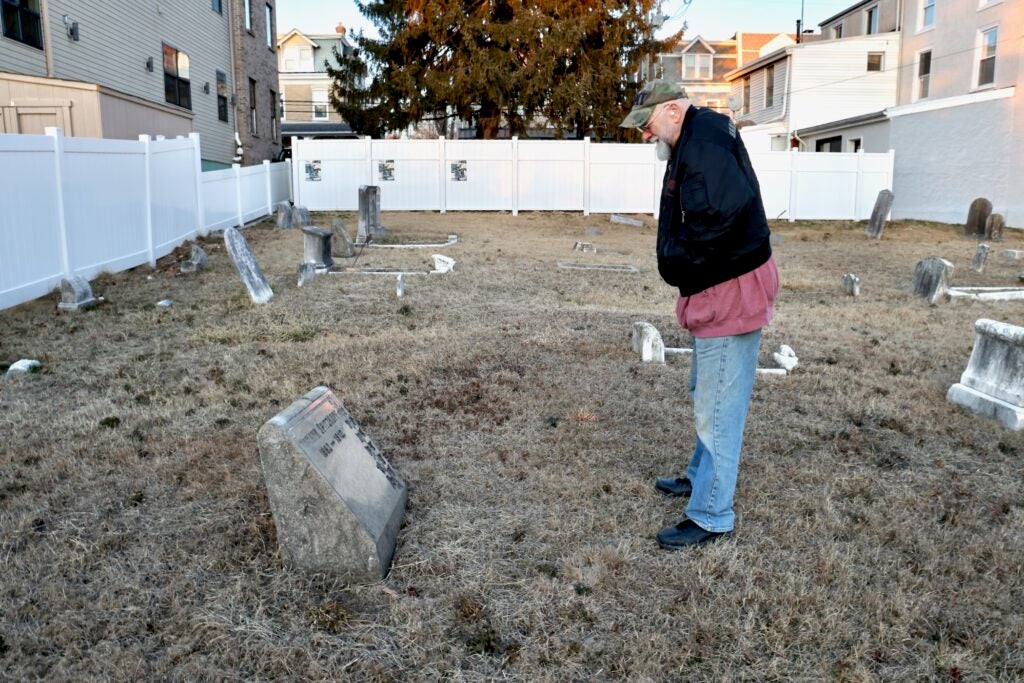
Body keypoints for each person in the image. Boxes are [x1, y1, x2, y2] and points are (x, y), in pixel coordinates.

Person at [620, 80, 779, 550]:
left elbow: (719, 222)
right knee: (705, 390)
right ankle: (699, 476)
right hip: (723, 284)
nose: (647, 136)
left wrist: (679, 260)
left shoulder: (703, 141)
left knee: (718, 407)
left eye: (647, 126)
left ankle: (712, 512)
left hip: (730, 288)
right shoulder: (702, 133)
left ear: (672, 110)